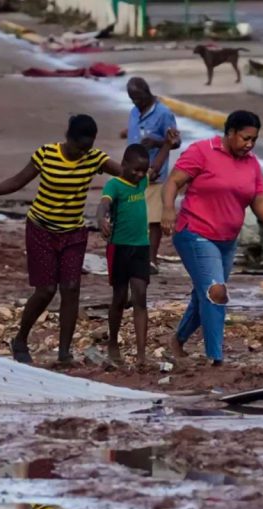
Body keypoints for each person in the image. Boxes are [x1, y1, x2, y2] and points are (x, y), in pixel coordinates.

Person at [0, 115, 121, 366]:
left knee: (71, 289)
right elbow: (18, 181)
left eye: (88, 147)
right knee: (46, 290)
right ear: (68, 138)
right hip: (41, 230)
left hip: (73, 233)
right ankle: (21, 339)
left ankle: (64, 352)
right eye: (80, 147)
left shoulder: (94, 158)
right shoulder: (46, 154)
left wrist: (145, 167)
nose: (83, 152)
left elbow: (126, 173)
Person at [161, 111, 263, 366]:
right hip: (195, 232)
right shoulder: (202, 151)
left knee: (205, 294)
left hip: (227, 240)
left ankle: (178, 340)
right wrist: (167, 209)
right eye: (245, 138)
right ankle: (215, 358)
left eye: (254, 140)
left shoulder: (251, 163)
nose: (249, 144)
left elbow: (257, 198)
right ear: (230, 133)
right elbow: (173, 181)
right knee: (216, 292)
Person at [97, 144, 150, 365]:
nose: (139, 175)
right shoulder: (115, 185)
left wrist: (166, 145)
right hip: (118, 248)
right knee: (119, 297)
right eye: (135, 170)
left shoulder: (143, 182)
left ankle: (141, 355)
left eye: (143, 171)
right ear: (124, 165)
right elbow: (104, 204)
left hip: (141, 247)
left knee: (140, 296)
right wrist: (101, 219)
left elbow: (155, 167)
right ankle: (113, 344)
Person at [120, 77, 180, 273]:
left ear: (147, 92)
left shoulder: (163, 113)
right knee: (135, 216)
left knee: (153, 219)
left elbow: (175, 141)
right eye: (132, 99)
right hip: (132, 173)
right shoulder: (134, 112)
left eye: (139, 98)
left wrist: (156, 142)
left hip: (155, 172)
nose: (136, 102)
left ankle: (151, 259)